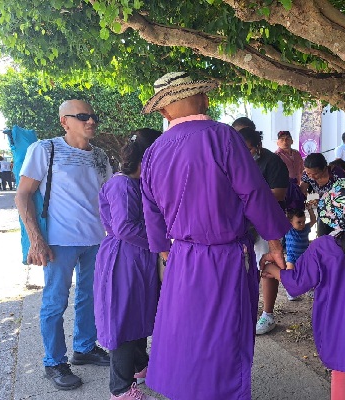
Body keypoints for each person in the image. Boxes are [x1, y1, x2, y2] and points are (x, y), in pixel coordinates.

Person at [140, 72, 291, 400]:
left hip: (181, 257)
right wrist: (276, 244)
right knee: (225, 338)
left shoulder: (154, 152)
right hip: (224, 257)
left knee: (185, 336)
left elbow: (151, 214)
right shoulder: (223, 136)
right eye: (202, 95)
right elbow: (254, 193)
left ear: (164, 112)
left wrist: (168, 254)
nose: (208, 100)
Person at [15, 99, 112, 391]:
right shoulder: (45, 149)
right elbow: (23, 195)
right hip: (59, 241)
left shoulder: (100, 156)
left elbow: (107, 196)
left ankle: (84, 347)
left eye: (93, 115)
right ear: (64, 121)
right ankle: (54, 361)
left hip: (96, 239)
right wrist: (36, 239)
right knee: (55, 303)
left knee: (91, 296)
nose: (91, 121)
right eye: (83, 116)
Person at [262, 178, 345, 400]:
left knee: (341, 373)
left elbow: (298, 283)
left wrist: (274, 271)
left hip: (338, 322)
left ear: (330, 211)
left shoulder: (322, 248)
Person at [94, 129, 162, 400]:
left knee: (138, 314)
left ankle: (139, 366)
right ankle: (120, 389)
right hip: (124, 258)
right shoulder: (122, 184)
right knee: (123, 321)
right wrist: (162, 241)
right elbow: (125, 227)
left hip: (137, 258)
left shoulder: (137, 182)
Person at [238, 127, 291, 335]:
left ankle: (268, 314)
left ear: (257, 146)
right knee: (243, 268)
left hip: (266, 224)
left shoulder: (272, 162)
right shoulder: (235, 160)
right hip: (242, 225)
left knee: (267, 266)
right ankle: (245, 311)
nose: (244, 152)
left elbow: (279, 193)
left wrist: (251, 196)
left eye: (248, 149)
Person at [300, 152, 345, 237]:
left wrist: (323, 201)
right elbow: (302, 191)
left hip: (340, 211)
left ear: (325, 168)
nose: (311, 177)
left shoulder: (337, 174)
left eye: (315, 174)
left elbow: (344, 196)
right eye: (308, 173)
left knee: (340, 238)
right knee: (322, 237)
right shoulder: (307, 175)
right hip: (324, 210)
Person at [283, 205, 317, 301]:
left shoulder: (305, 228)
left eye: (303, 221)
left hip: (305, 257)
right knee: (290, 274)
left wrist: (310, 210)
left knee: (308, 274)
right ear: (290, 222)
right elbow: (283, 220)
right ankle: (290, 292)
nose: (302, 224)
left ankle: (310, 290)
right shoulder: (289, 230)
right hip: (292, 258)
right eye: (299, 222)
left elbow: (313, 220)